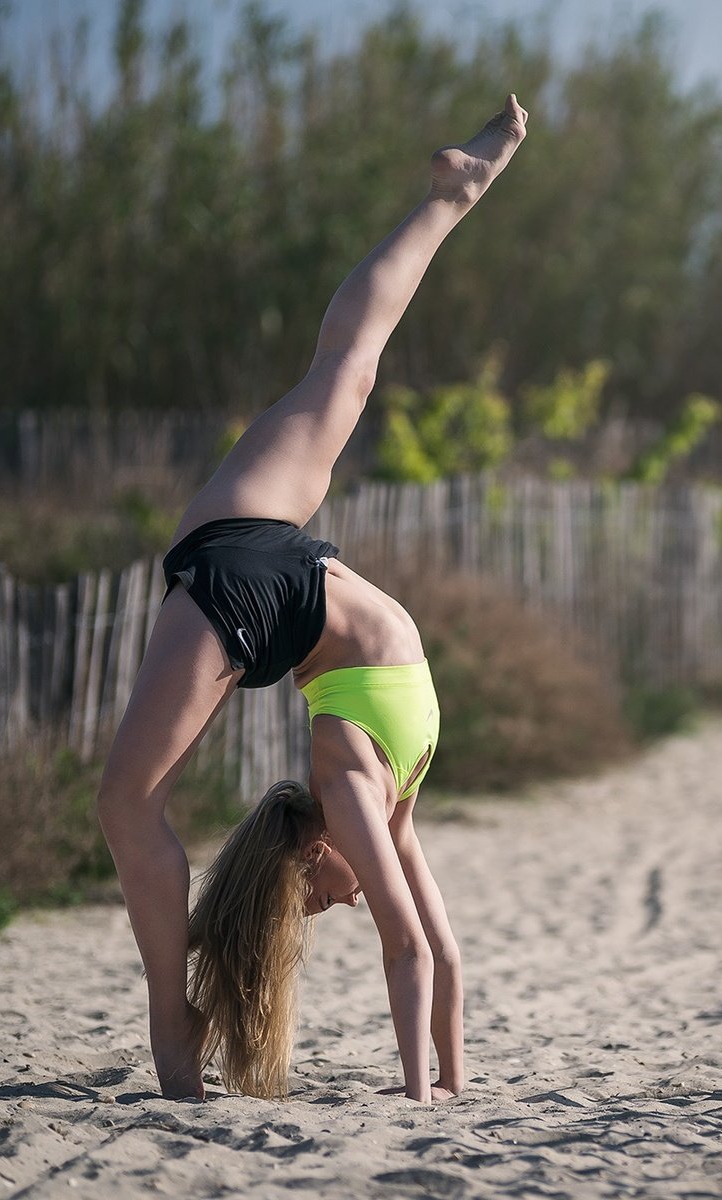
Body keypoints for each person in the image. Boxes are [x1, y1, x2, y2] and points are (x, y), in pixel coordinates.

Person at [95, 95, 529, 1103]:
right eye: (325, 903)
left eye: (312, 899)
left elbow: (419, 949)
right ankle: (449, 201)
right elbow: (426, 948)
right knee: (345, 364)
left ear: (317, 849)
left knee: (128, 799)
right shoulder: (360, 789)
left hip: (250, 565)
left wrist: (435, 1088)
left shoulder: (353, 790)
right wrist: (438, 1091)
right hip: (257, 557)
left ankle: (175, 1020)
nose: (327, 904)